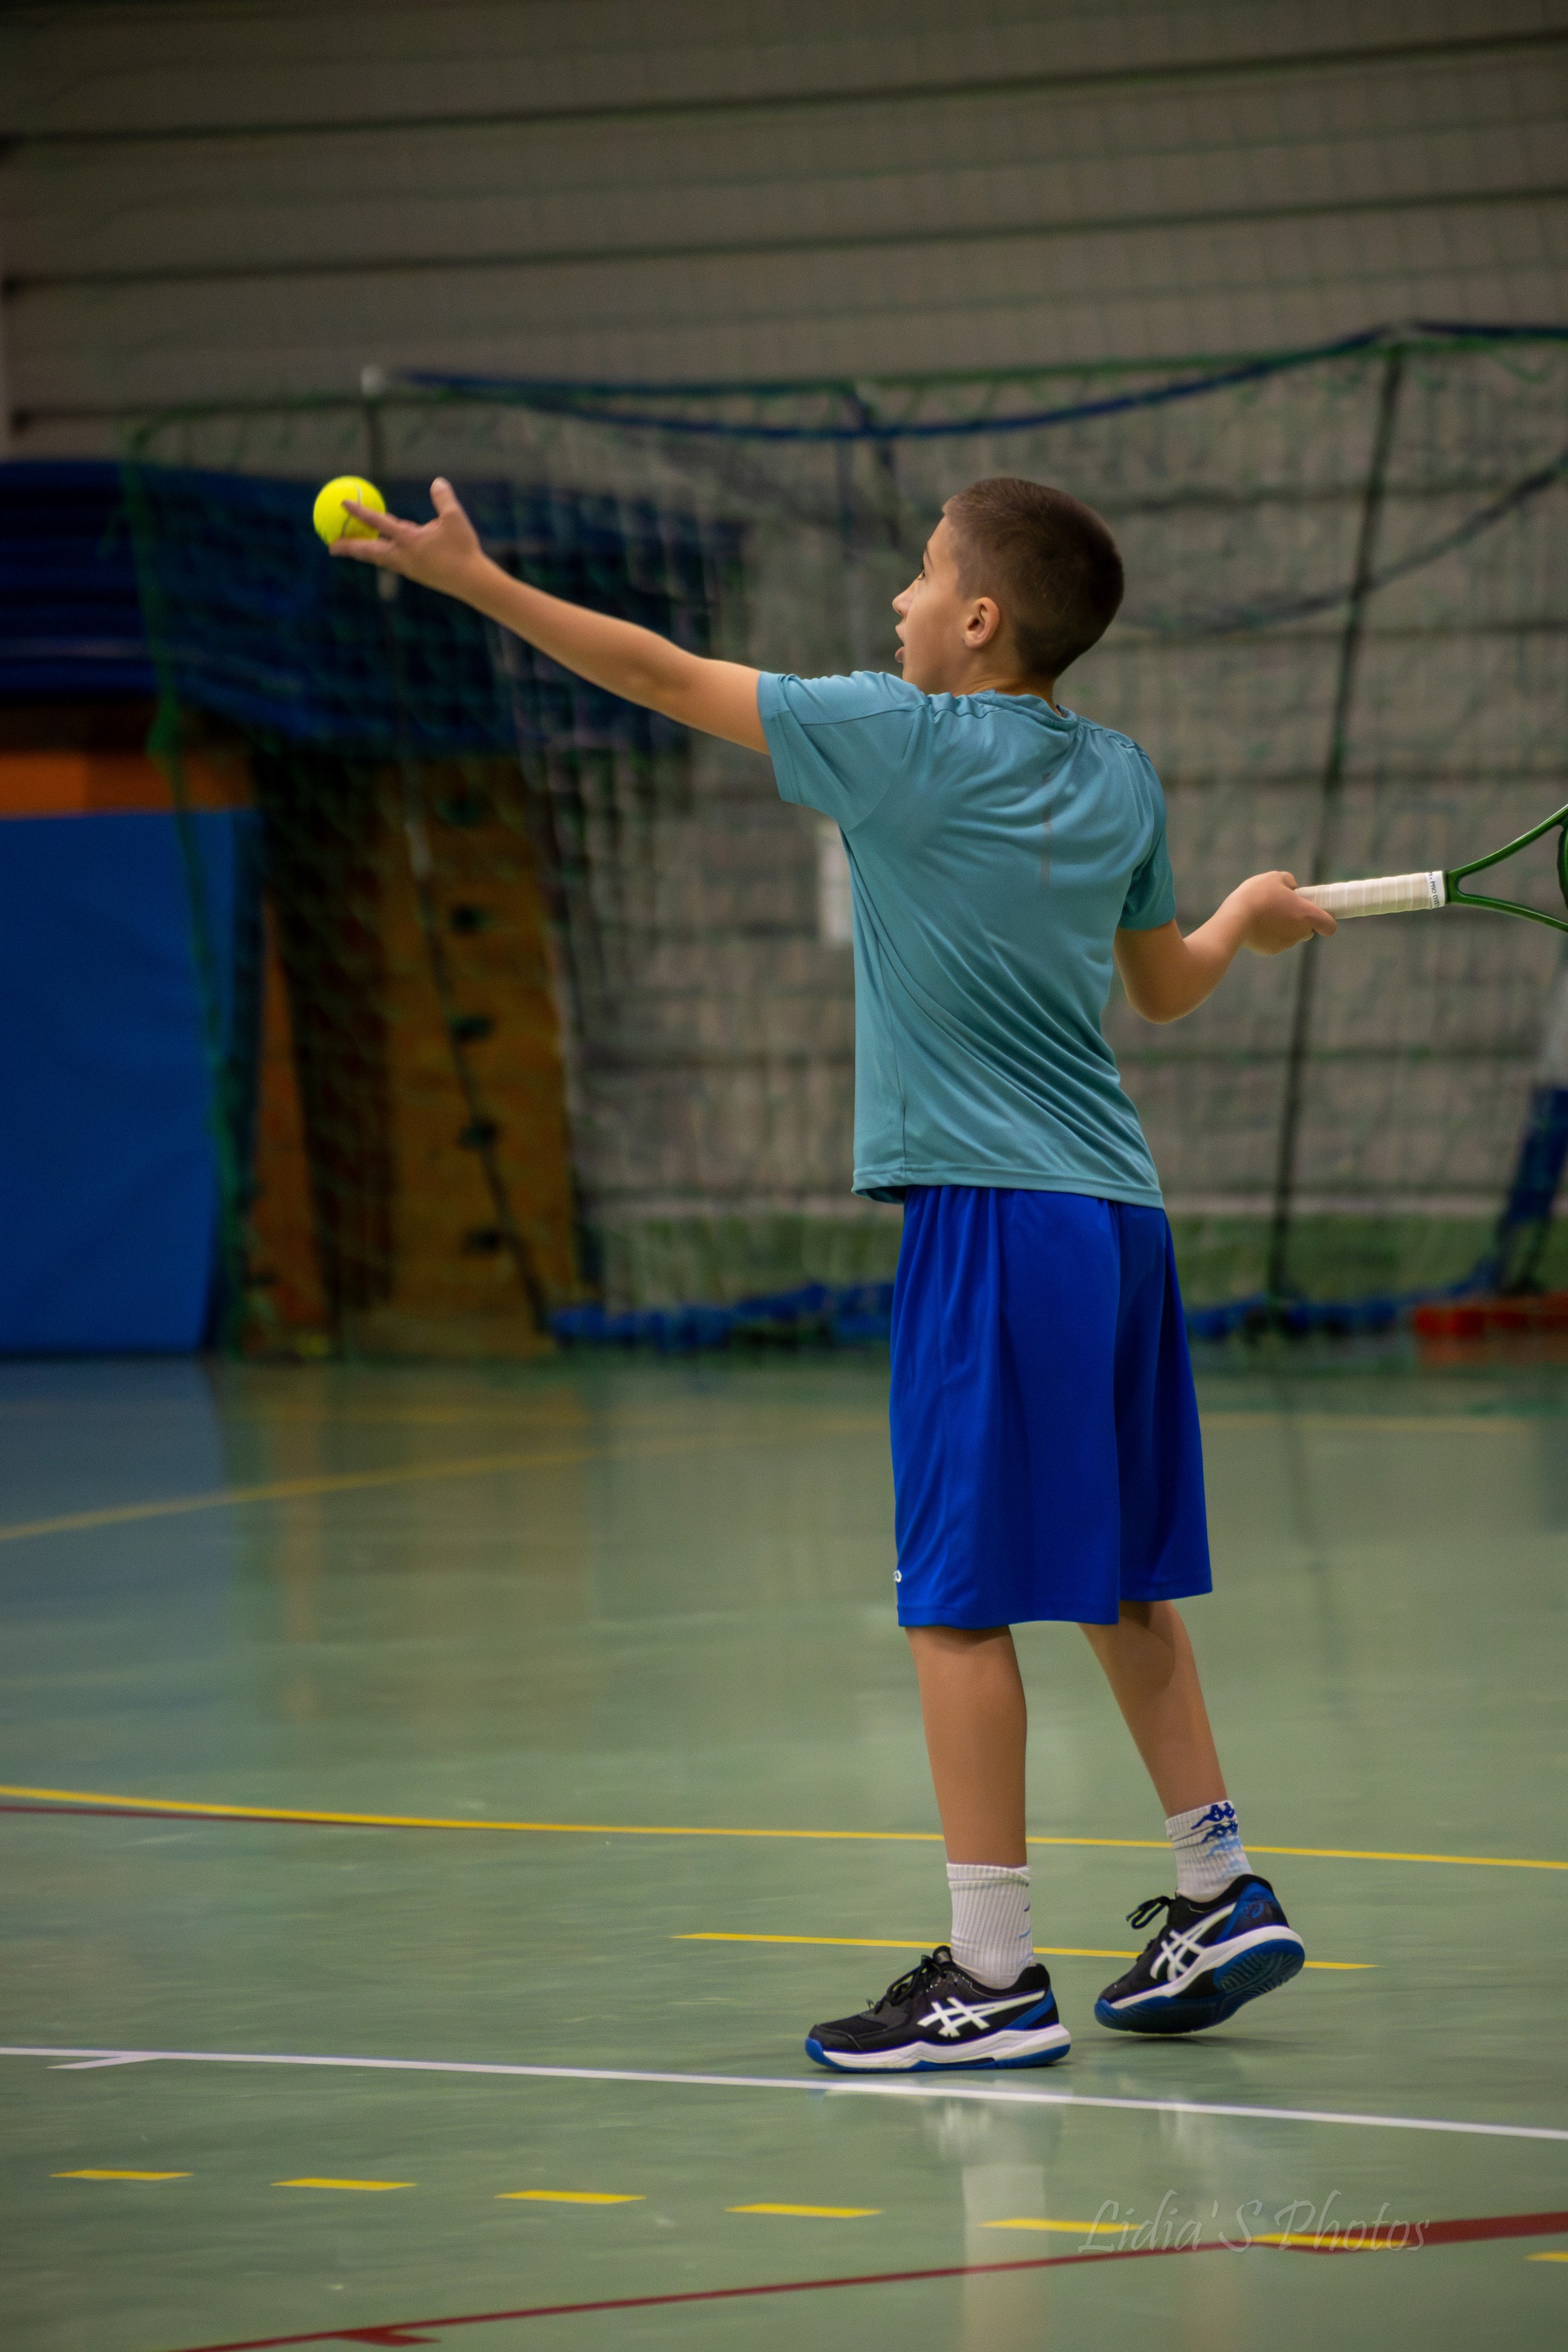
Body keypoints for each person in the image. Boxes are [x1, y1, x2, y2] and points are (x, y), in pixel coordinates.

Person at [331, 472, 1335, 2074]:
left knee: (957, 1602)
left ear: (980, 620)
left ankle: (992, 1975)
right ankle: (1218, 1889)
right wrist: (1245, 921)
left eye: (923, 575)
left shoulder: (901, 736)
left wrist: (479, 583)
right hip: (1121, 1221)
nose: (899, 601)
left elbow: (660, 674)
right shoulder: (1122, 775)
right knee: (1120, 1577)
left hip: (993, 1219)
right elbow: (1162, 987)